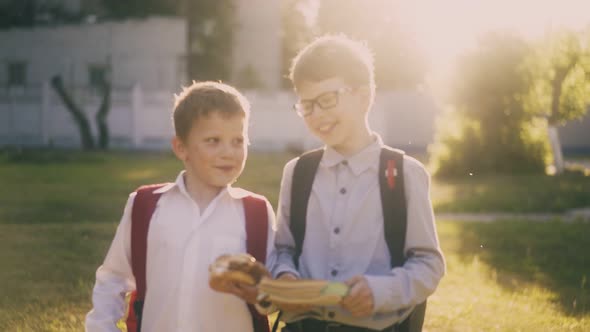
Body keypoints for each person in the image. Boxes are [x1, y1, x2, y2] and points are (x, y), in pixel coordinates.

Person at [270, 35, 445, 332]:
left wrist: (380, 291)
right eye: (307, 105)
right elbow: (283, 249)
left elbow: (428, 264)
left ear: (364, 96)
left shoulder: (404, 173)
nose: (318, 115)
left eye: (327, 100)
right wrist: (285, 277)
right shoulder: (297, 173)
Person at [85, 81, 275, 332]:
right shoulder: (145, 206)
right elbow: (113, 279)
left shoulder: (256, 212)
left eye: (238, 141)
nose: (228, 152)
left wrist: (261, 295)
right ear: (181, 148)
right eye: (213, 140)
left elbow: (274, 294)